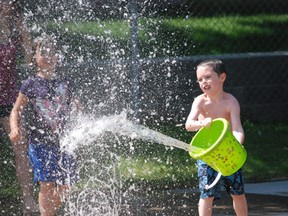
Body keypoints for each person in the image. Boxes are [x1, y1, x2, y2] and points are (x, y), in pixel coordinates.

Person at [10, 34, 79, 216]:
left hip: (65, 142)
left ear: (58, 57)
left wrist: (86, 118)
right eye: (43, 52)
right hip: (40, 143)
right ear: (34, 57)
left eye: (52, 52)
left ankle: (47, 212)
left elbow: (78, 106)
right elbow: (16, 110)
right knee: (46, 184)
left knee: (67, 184)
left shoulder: (65, 83)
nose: (48, 56)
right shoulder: (30, 84)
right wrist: (15, 128)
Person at [185, 59, 248, 216]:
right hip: (208, 154)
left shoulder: (231, 102)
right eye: (199, 79)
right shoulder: (200, 102)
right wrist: (201, 123)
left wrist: (237, 145)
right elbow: (189, 124)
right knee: (207, 194)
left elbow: (237, 128)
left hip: (228, 153)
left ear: (222, 77)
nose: (203, 82)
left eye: (207, 77)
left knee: (238, 193)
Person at [0, 0, 37, 214]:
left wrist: (23, 32)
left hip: (9, 99)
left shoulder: (15, 27)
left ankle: (28, 200)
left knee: (21, 149)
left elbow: (31, 60)